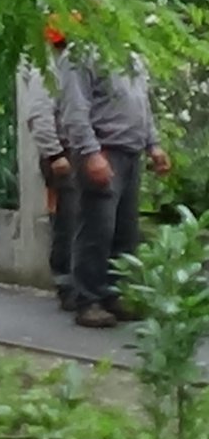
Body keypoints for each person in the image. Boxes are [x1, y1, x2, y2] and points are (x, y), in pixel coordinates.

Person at [53, 21, 171, 329]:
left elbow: (142, 104)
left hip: (130, 153)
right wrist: (90, 153)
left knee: (124, 231)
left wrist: (154, 145)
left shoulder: (129, 54)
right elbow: (74, 110)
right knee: (96, 230)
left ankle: (114, 295)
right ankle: (87, 299)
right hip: (102, 152)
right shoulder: (79, 55)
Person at [20, 43, 78, 310]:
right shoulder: (48, 67)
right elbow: (39, 115)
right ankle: (66, 284)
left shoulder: (74, 62)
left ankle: (78, 282)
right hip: (62, 153)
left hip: (76, 151)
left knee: (79, 221)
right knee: (68, 220)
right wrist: (55, 154)